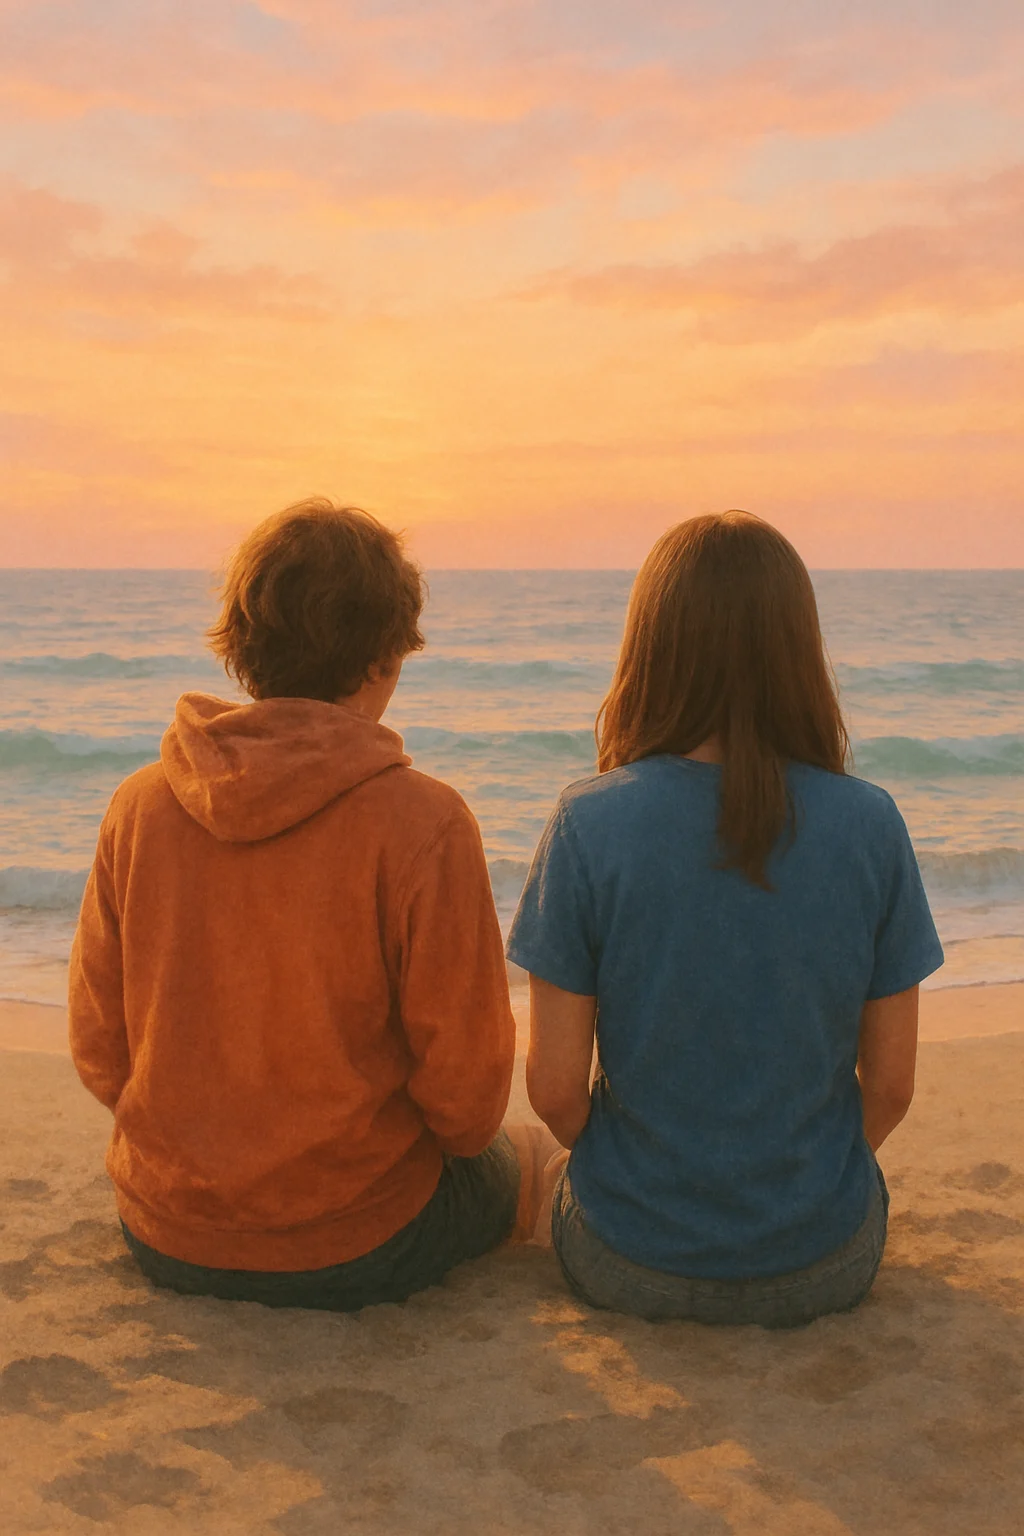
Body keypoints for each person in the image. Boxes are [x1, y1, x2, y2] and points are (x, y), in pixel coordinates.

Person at [69, 498, 532, 1310]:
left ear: (243, 652)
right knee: (523, 1159)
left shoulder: (139, 807)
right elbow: (465, 1107)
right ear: (385, 657)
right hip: (354, 1240)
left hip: (167, 1232)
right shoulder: (424, 823)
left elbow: (100, 1049)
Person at [507, 511, 944, 1327]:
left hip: (628, 1262)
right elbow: (890, 1087)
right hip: (825, 1262)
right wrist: (798, 1196)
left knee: (528, 1167)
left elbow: (556, 1088)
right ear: (797, 651)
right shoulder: (870, 823)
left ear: (650, 650)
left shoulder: (588, 822)